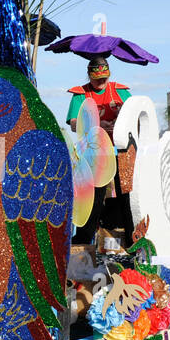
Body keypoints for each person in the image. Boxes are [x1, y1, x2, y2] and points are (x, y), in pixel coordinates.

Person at [66, 57, 134, 244]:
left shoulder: (120, 91)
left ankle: (131, 241)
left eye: (104, 78)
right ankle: (82, 241)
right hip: (94, 154)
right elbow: (73, 123)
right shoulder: (80, 94)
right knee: (92, 199)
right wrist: (96, 125)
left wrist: (120, 120)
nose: (101, 82)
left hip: (121, 151)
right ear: (89, 76)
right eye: (97, 79)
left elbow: (134, 115)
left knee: (126, 195)